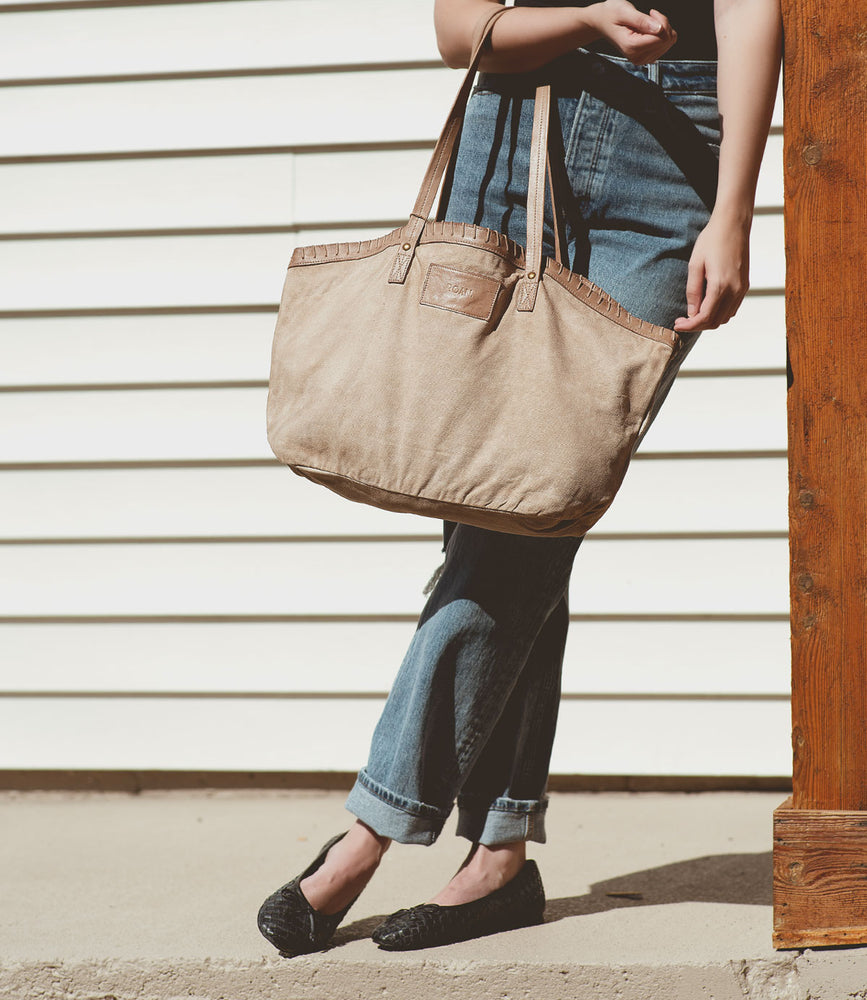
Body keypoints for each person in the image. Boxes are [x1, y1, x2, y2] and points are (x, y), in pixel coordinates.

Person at [257, 0, 782, 955]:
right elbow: (459, 29)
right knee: (504, 506)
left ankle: (373, 829)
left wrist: (734, 209)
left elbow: (755, 10)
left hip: (671, 155)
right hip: (508, 138)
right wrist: (582, 20)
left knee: (537, 508)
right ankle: (498, 853)